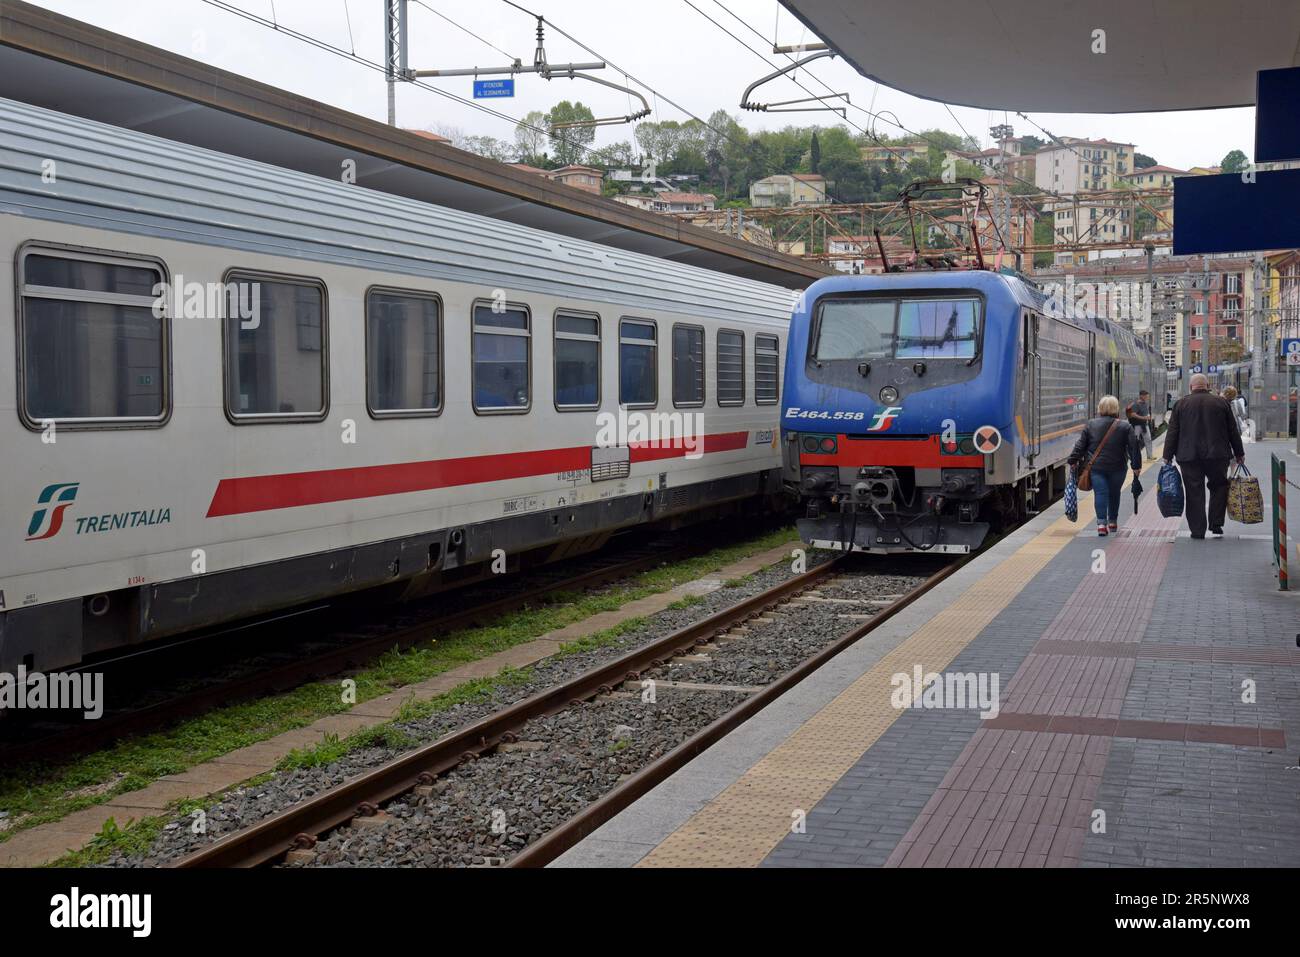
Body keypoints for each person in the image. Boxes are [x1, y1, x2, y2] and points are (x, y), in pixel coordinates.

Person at [1164, 373, 1246, 539]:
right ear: (1208, 386)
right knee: (1219, 487)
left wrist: (1167, 455)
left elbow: (1173, 432)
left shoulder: (1181, 404)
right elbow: (1232, 431)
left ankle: (1197, 530)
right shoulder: (1221, 403)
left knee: (1194, 492)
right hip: (1217, 455)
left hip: (1189, 456)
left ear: (1191, 387)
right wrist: (1239, 453)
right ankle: (1216, 524)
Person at [1069, 394, 1142, 536]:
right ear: (1116, 408)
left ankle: (1101, 524)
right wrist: (1136, 466)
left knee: (1100, 493)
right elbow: (1134, 447)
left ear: (1100, 408)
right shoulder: (1125, 426)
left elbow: (1080, 446)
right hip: (1118, 467)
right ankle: (1113, 521)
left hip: (1097, 468)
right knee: (1114, 494)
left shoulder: (1091, 424)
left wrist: (1072, 460)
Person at [1127, 389, 1155, 461]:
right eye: (1146, 396)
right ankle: (1133, 456)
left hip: (1144, 425)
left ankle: (1150, 456)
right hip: (1137, 425)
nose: (1147, 398)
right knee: (1135, 441)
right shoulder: (1136, 404)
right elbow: (1133, 415)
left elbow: (1146, 413)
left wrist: (1148, 417)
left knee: (1148, 439)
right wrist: (1143, 418)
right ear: (1141, 396)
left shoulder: (1145, 404)